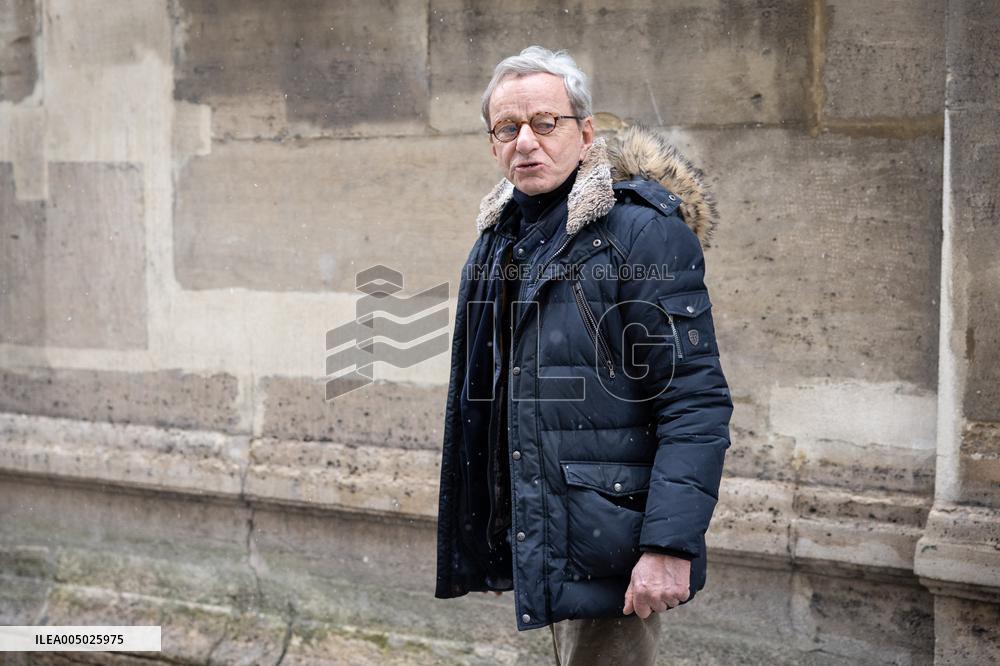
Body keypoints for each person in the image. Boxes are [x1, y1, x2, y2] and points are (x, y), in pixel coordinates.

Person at [434, 45, 733, 665]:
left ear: (585, 132)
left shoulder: (642, 235)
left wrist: (668, 547)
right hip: (537, 536)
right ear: (492, 143)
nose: (526, 142)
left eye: (546, 123)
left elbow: (694, 403)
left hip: (613, 549)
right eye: (508, 128)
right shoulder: (497, 241)